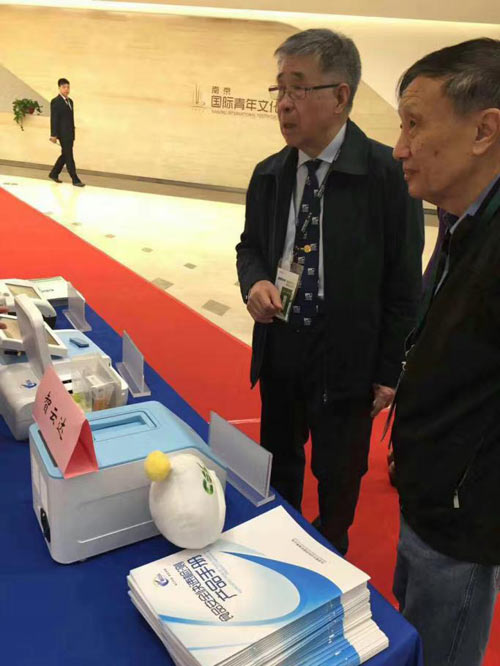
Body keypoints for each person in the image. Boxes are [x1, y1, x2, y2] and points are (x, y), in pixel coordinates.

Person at [236, 29, 424, 555]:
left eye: (298, 88)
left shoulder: (387, 175)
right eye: (279, 89)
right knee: (278, 459)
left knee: (339, 474)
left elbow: (404, 282)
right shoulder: (270, 173)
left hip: (349, 356)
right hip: (281, 342)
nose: (283, 103)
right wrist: (255, 281)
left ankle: (328, 552)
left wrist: (389, 370)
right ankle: (276, 545)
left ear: (341, 96)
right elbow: (250, 247)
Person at [391, 38, 500, 666]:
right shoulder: (459, 217)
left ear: (484, 131)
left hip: (463, 519)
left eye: (414, 124)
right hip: (425, 488)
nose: (400, 147)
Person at [49, 78, 85, 187]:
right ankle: (75, 179)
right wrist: (53, 134)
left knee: (65, 154)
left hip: (70, 133)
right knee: (69, 156)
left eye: (68, 87)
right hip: (62, 134)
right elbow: (54, 119)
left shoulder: (70, 101)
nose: (66, 89)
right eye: (64, 87)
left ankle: (54, 173)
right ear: (59, 88)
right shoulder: (56, 101)